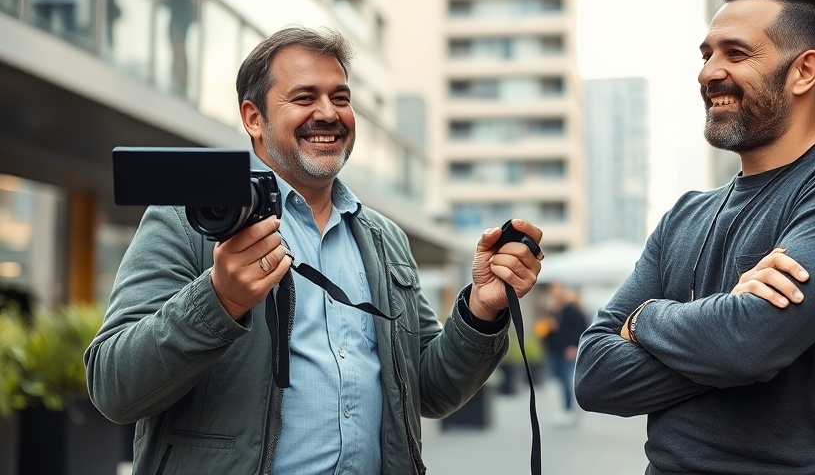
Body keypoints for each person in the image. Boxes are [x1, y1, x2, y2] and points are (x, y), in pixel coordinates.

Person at [85, 27, 545, 474]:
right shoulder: (185, 219)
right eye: (304, 98)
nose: (328, 113)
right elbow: (113, 387)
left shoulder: (385, 239)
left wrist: (481, 311)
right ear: (253, 118)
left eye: (340, 98)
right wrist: (219, 299)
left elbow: (429, 389)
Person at [574, 0, 815, 474]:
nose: (709, 73)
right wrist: (733, 330)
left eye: (735, 53)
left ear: (803, 71)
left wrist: (644, 318)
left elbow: (747, 345)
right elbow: (594, 376)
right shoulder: (683, 216)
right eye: (706, 54)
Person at [540, 283, 588, 424]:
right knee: (560, 380)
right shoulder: (554, 310)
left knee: (568, 380)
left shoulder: (572, 309)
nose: (554, 294)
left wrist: (574, 346)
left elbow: (581, 328)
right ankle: (566, 409)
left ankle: (571, 410)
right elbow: (550, 331)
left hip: (568, 351)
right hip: (556, 350)